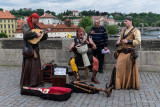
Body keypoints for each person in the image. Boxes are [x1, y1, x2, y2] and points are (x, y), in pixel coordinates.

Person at [109, 16, 141, 90]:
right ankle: (116, 84)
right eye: (124, 21)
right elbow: (119, 40)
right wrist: (117, 43)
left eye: (126, 21)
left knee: (128, 69)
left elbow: (138, 41)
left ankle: (126, 84)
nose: (124, 22)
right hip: (122, 52)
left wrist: (128, 41)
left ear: (131, 21)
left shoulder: (136, 31)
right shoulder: (123, 31)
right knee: (116, 67)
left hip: (130, 53)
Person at [20, 13, 50, 87]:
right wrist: (35, 34)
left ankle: (36, 82)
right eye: (35, 19)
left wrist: (45, 33)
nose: (36, 21)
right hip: (29, 49)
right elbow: (26, 34)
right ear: (32, 18)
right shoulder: (25, 25)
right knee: (29, 66)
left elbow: (41, 38)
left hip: (35, 49)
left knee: (36, 67)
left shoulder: (36, 26)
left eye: (37, 20)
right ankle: (27, 82)